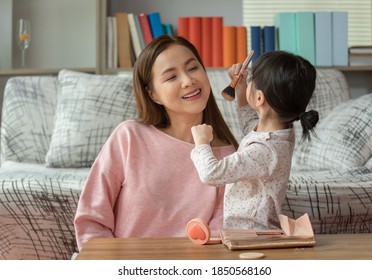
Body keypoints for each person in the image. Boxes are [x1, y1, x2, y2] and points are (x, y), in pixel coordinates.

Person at [74, 35, 238, 251]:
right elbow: (92, 221)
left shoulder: (228, 156)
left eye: (192, 68)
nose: (188, 80)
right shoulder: (129, 137)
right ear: (153, 94)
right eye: (171, 77)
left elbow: (220, 237)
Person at [190, 51, 319, 231]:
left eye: (252, 79)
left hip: (251, 232)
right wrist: (242, 86)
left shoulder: (264, 151)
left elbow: (212, 174)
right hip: (250, 230)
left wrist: (202, 142)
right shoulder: (280, 131)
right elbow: (249, 122)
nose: (248, 80)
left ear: (259, 98)